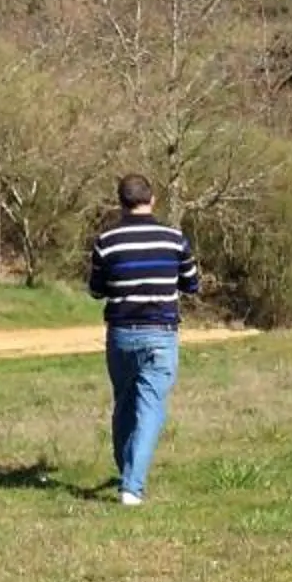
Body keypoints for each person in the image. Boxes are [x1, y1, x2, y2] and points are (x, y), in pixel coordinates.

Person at [86, 173, 200, 505]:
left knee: (124, 404)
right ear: (152, 199)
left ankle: (128, 473)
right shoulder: (174, 239)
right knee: (150, 407)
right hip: (161, 334)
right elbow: (191, 284)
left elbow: (96, 290)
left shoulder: (107, 241)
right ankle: (132, 486)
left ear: (120, 203)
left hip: (121, 335)